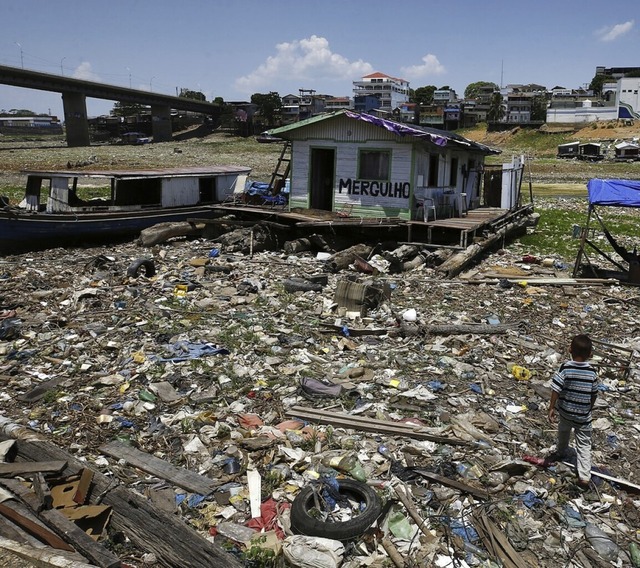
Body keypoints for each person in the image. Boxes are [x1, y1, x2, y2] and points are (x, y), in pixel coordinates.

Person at [548, 334, 599, 487]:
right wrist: (588, 408)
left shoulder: (565, 367)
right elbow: (594, 394)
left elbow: (556, 389)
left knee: (563, 431)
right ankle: (584, 476)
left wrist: (551, 407)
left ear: (570, 349)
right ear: (590, 355)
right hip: (583, 416)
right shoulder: (592, 372)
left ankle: (561, 451)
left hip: (565, 411)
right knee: (584, 445)